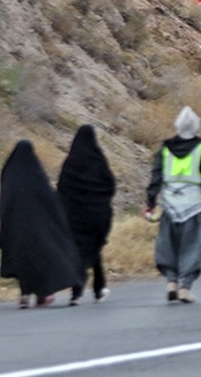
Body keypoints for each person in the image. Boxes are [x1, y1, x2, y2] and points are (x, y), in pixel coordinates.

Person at [145, 107, 201, 303]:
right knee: (193, 245)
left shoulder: (165, 149)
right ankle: (185, 287)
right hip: (194, 205)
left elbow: (156, 176)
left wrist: (150, 202)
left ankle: (171, 282)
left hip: (170, 204)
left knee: (168, 245)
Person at [2, 140, 82, 308]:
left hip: (17, 231)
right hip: (39, 231)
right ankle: (43, 294)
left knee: (23, 261)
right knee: (43, 259)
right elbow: (52, 204)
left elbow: (5, 206)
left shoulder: (10, 179)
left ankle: (25, 296)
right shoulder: (37, 177)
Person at [57, 125, 116, 305]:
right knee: (94, 249)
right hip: (98, 216)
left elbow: (61, 189)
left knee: (82, 250)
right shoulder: (99, 161)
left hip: (75, 217)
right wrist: (100, 200)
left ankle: (80, 291)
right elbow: (110, 186)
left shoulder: (70, 163)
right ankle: (97, 288)